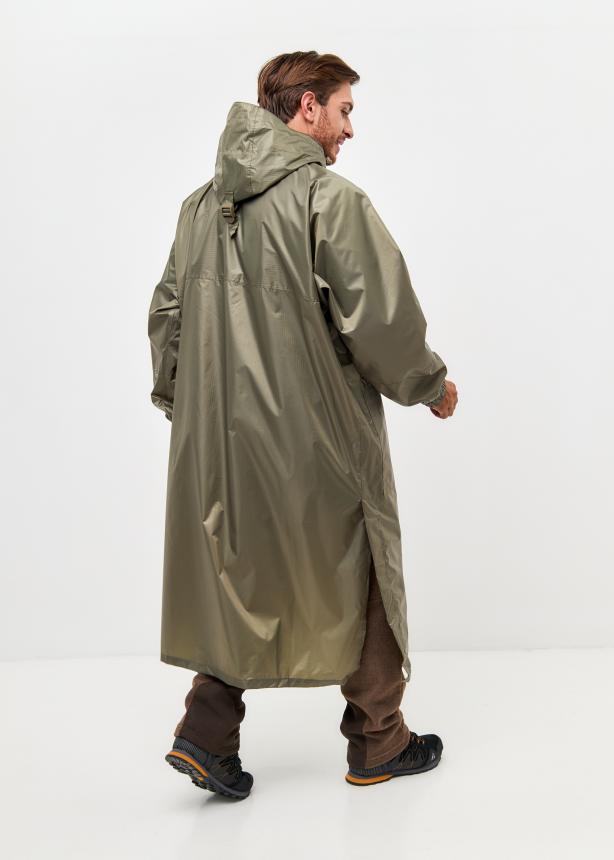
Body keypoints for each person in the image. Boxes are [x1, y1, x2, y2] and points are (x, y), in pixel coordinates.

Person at [148, 50, 458, 801]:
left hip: (219, 445)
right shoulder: (328, 200)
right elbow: (380, 320)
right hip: (321, 436)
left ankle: (206, 732)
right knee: (363, 559)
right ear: (307, 106)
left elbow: (166, 318)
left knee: (235, 573)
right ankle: (380, 740)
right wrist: (429, 384)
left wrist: (187, 409)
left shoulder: (199, 207)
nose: (350, 129)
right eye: (344, 110)